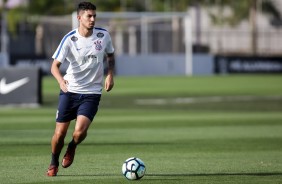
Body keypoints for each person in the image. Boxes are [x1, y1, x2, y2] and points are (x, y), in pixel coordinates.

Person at [46, 1, 115, 176]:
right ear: (79, 18)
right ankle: (54, 160)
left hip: (92, 92)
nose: (92, 19)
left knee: (79, 132)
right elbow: (54, 66)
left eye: (94, 16)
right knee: (60, 133)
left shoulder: (103, 35)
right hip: (70, 91)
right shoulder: (70, 39)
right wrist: (61, 81)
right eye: (88, 16)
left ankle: (72, 146)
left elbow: (110, 54)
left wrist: (110, 74)